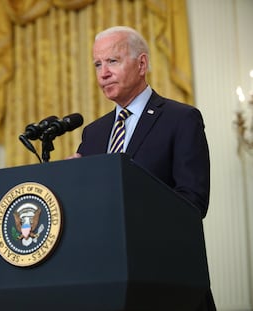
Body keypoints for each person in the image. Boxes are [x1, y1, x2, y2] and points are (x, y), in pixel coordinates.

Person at [71, 26, 215, 310]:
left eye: (113, 61)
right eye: (97, 64)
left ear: (142, 64)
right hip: (106, 283)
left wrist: (132, 212)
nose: (103, 73)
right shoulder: (94, 133)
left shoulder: (181, 119)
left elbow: (194, 202)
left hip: (166, 281)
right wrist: (71, 185)